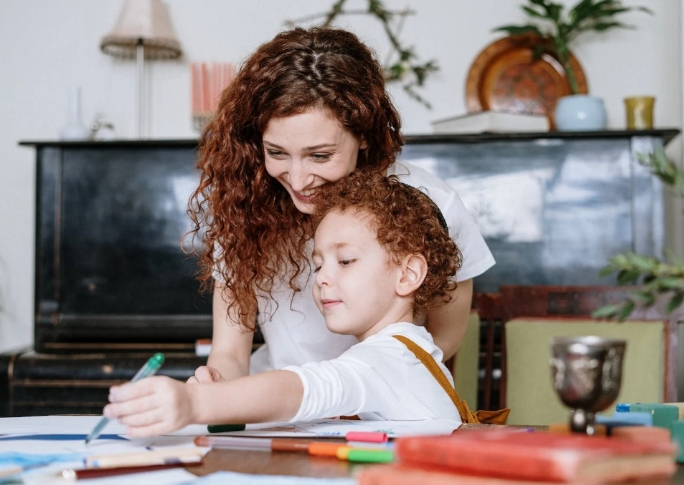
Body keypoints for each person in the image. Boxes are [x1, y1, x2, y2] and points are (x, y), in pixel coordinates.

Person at [187, 27, 495, 384]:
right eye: (277, 153)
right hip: (277, 405)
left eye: (320, 155)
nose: (299, 180)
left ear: (363, 134)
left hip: (380, 399)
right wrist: (214, 383)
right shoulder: (245, 205)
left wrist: (355, 391)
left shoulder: (432, 204)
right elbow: (229, 353)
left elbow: (443, 339)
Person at [105, 171, 463, 436]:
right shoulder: (407, 351)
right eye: (318, 264)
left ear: (408, 274)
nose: (321, 277)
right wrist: (226, 394)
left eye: (346, 261)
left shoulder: (388, 359)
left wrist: (195, 403)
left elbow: (300, 388)